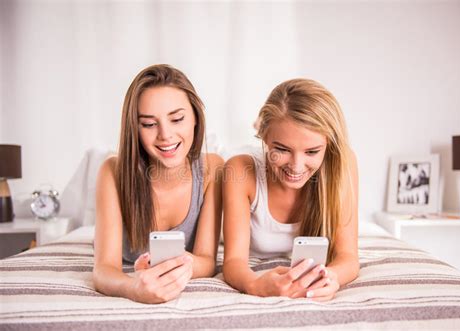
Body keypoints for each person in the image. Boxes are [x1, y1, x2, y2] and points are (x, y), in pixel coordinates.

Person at [93, 64, 223, 304]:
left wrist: (172, 266)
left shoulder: (213, 168)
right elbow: (103, 270)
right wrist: (134, 287)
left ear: (195, 117)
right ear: (135, 127)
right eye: (149, 124)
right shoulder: (112, 172)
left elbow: (206, 260)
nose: (165, 135)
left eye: (177, 119)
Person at [222, 78, 359, 301]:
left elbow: (348, 257)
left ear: (329, 146)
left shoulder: (343, 163)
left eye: (312, 152)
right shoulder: (240, 170)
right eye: (282, 149)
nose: (296, 167)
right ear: (264, 137)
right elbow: (233, 263)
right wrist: (255, 284)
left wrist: (331, 277)